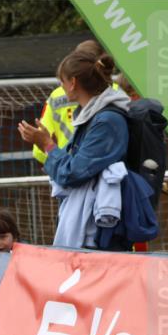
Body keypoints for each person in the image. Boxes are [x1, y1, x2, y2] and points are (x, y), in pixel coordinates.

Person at [18, 50, 131, 250]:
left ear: (73, 82)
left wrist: (47, 144)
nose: (60, 87)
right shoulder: (93, 116)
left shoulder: (106, 121)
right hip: (95, 225)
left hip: (102, 229)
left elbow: (73, 172)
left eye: (62, 81)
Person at [31, 40, 108, 165]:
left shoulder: (56, 95)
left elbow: (38, 151)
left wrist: (56, 163)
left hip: (65, 168)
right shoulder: (114, 92)